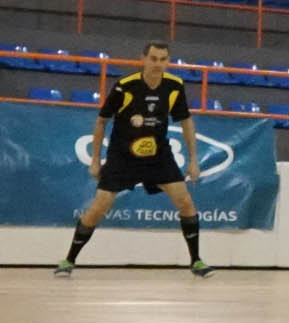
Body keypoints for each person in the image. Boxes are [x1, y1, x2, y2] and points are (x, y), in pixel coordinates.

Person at [53, 40, 214, 278]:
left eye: (163, 59)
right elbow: (101, 121)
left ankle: (196, 261)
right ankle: (68, 260)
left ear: (168, 61)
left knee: (185, 202)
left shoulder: (175, 86)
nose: (158, 64)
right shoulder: (125, 87)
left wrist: (193, 160)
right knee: (99, 207)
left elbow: (186, 121)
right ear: (143, 59)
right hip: (122, 155)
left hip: (158, 155)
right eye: (153, 59)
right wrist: (96, 160)